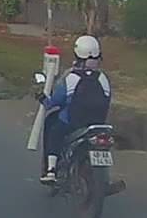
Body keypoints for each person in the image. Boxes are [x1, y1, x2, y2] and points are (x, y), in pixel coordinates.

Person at [38, 35, 113, 183]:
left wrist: (43, 99)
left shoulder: (71, 78)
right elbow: (107, 99)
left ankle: (51, 170)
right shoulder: (103, 78)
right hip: (98, 124)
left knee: (54, 131)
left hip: (72, 123)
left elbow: (55, 102)